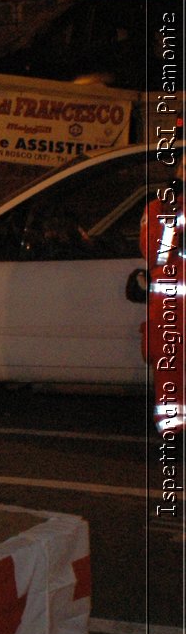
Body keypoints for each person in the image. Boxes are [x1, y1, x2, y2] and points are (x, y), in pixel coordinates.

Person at [143, 136, 183, 438]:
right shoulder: (160, 207)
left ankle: (174, 432)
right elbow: (156, 254)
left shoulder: (162, 207)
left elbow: (156, 255)